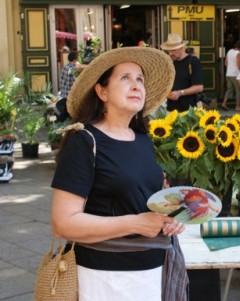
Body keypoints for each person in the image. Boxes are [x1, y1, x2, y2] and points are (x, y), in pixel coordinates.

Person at [50, 47, 188, 301]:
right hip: (104, 277)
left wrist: (172, 218)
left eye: (140, 79)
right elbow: (62, 223)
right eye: (125, 78)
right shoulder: (84, 141)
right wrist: (135, 223)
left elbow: (147, 204)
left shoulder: (144, 141)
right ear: (102, 91)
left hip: (152, 273)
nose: (136, 85)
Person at [161, 33, 203, 112]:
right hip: (171, 111)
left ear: (181, 47)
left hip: (188, 112)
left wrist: (180, 93)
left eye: (173, 50)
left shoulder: (193, 61)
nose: (170, 54)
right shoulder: (172, 63)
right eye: (169, 50)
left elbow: (199, 87)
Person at [221, 40, 240, 111]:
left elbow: (225, 63)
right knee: (238, 90)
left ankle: (224, 103)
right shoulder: (239, 54)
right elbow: (239, 66)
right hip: (236, 74)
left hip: (228, 74)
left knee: (229, 89)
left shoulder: (229, 51)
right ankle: (237, 106)